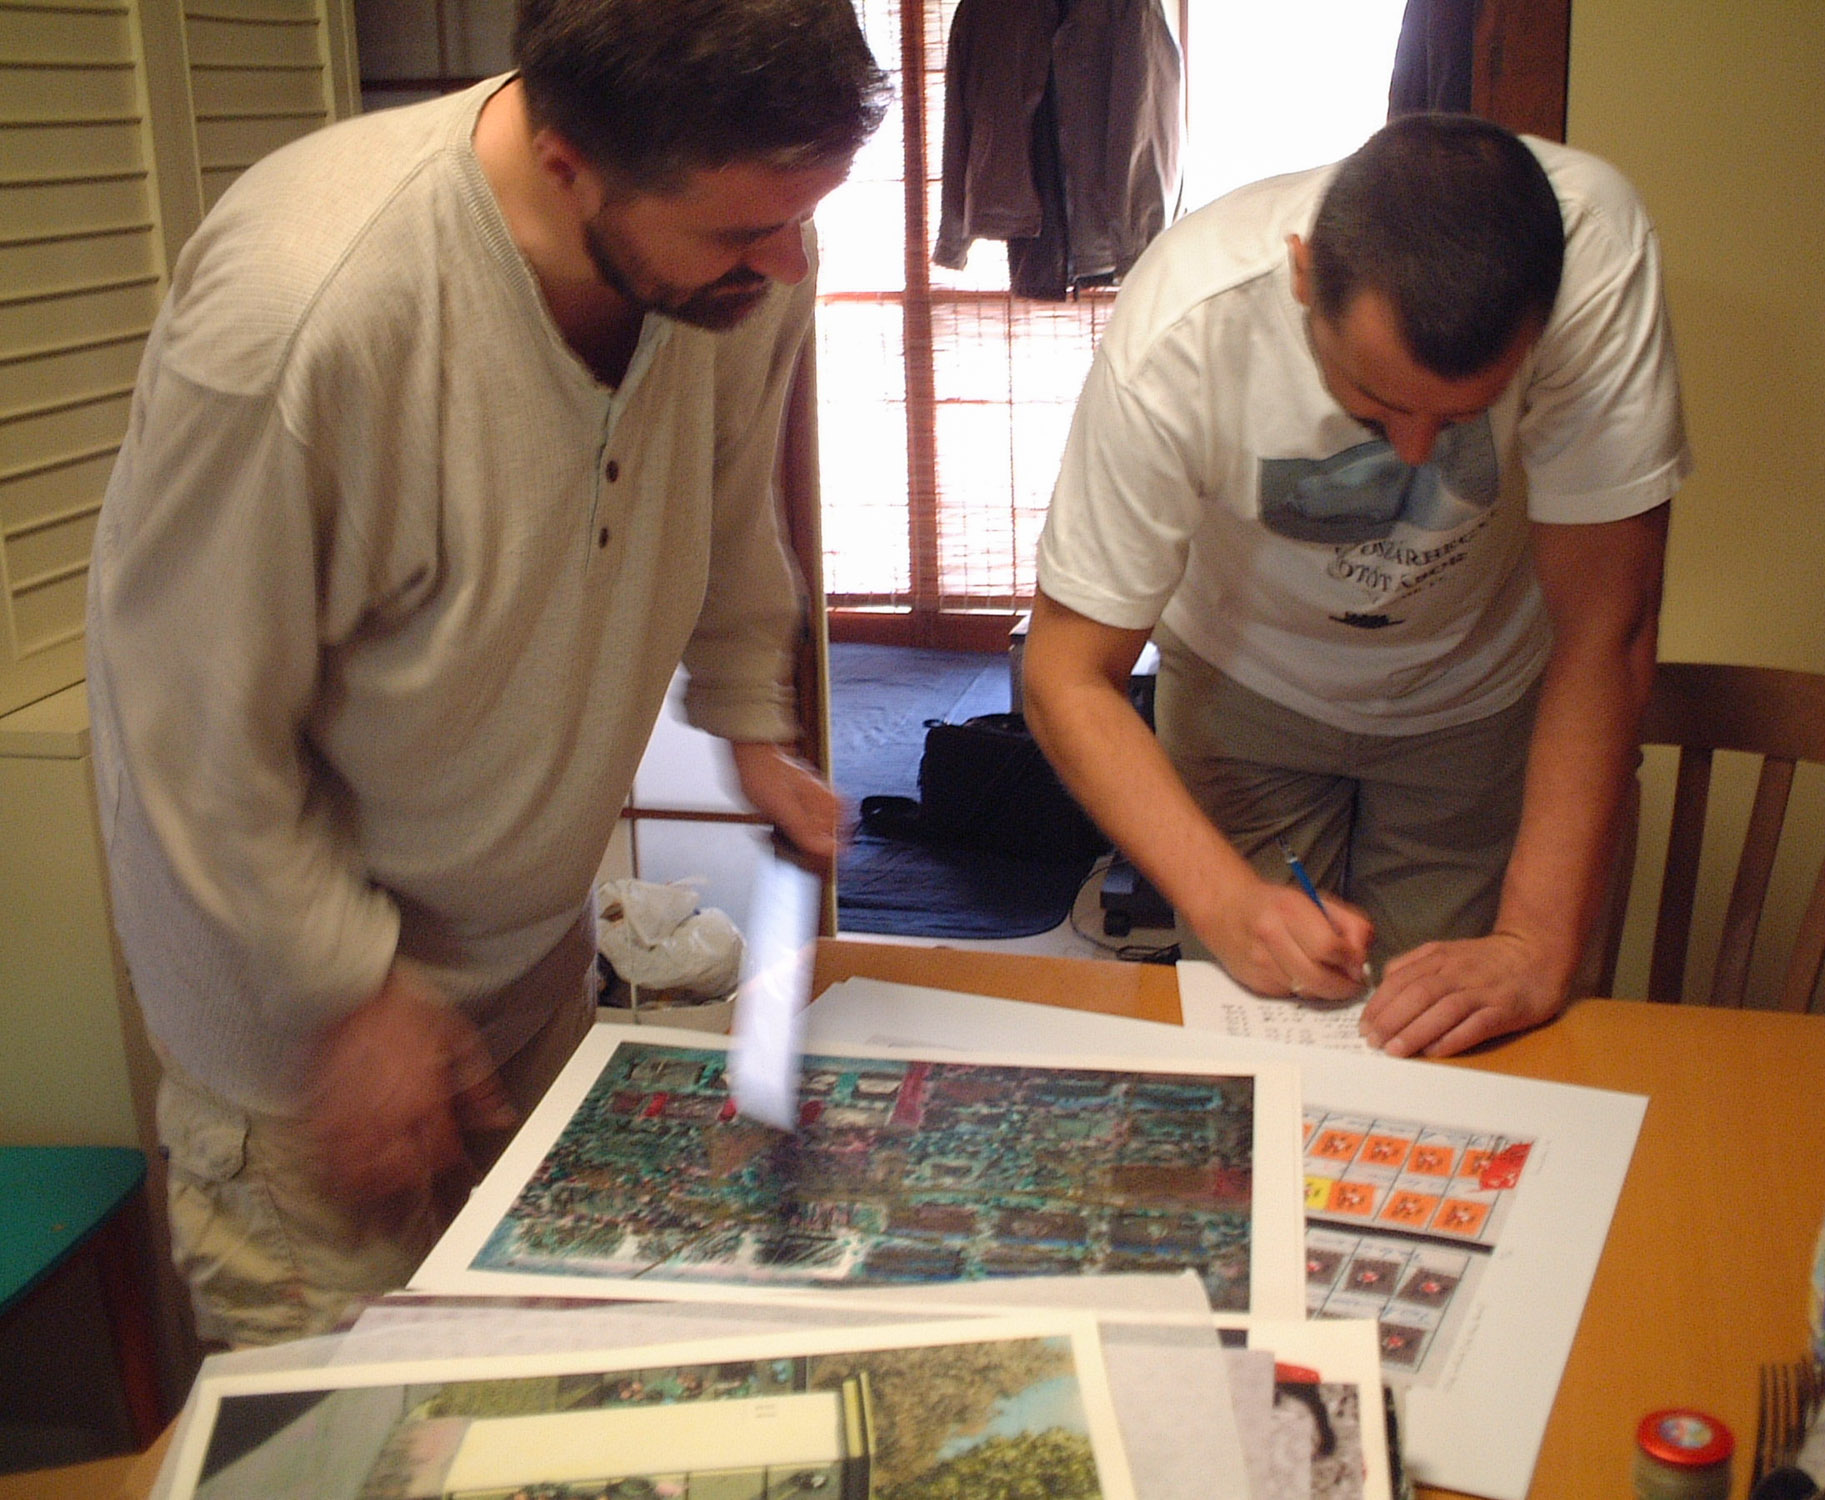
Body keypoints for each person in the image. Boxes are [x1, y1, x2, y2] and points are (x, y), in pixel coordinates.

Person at [83, 0, 887, 1345]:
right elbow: (185, 726)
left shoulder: (738, 250)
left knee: (549, 1376)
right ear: (569, 162)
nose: (791, 261)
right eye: (747, 232)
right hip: (306, 1044)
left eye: (807, 213)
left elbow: (728, 499)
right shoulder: (308, 313)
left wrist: (752, 724)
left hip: (525, 971)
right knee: (356, 1420)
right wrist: (350, 993)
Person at [1023, 112, 1689, 1059]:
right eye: (1377, 404)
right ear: (1304, 278)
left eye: (1462, 417)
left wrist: (1536, 945)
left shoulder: (1595, 257)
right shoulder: (1183, 325)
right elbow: (1066, 673)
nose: (1417, 453)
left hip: (1477, 694)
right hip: (1242, 682)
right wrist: (1226, 903)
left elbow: (1607, 632)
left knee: (1444, 1045)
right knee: (1264, 1037)